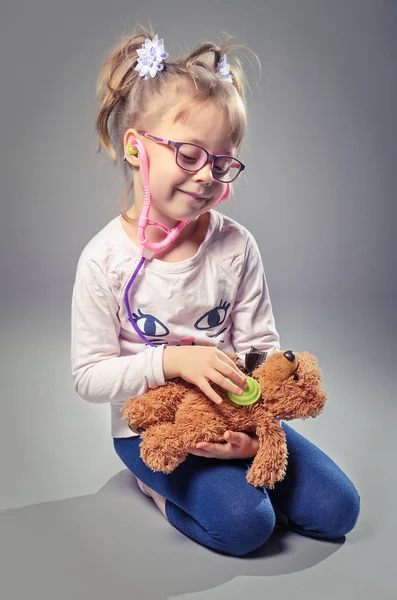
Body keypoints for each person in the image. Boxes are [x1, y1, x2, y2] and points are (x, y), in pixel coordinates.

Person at [71, 23, 360, 557]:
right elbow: (89, 378)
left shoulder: (236, 247)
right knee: (247, 527)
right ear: (137, 148)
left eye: (222, 161)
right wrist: (173, 364)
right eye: (188, 154)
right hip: (154, 430)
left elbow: (261, 349)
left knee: (339, 510)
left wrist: (252, 435)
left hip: (236, 412)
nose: (207, 176)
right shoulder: (104, 260)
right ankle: (154, 487)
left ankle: (241, 467)